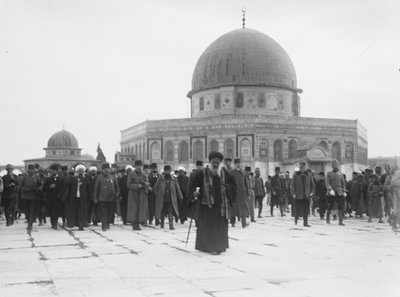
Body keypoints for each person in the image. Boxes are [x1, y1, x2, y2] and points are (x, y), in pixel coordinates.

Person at [191, 151, 230, 255]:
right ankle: (210, 247)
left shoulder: (224, 173)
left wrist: (227, 189)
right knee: (209, 227)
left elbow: (232, 186)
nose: (215, 164)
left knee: (219, 226)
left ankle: (219, 246)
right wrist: (195, 192)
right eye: (214, 162)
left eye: (217, 162)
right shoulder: (203, 173)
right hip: (207, 206)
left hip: (221, 206)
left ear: (220, 162)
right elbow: (195, 184)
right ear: (210, 162)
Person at [61, 164, 91, 230]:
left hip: (83, 198)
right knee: (73, 211)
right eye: (79, 171)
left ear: (83, 172)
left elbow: (89, 190)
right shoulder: (72, 179)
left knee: (81, 212)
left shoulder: (86, 180)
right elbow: (68, 188)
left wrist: (89, 198)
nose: (80, 172)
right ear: (77, 172)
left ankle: (81, 225)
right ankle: (72, 223)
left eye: (82, 171)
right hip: (74, 198)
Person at [153, 165, 182, 230]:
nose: (167, 172)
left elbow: (178, 188)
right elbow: (155, 188)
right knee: (162, 211)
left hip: (171, 198)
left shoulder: (173, 178)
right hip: (162, 198)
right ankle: (162, 223)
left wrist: (180, 196)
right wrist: (157, 195)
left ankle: (171, 225)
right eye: (166, 171)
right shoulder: (161, 178)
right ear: (164, 171)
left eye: (168, 171)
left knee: (170, 212)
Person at [94, 163, 119, 231]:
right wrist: (95, 198)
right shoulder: (99, 177)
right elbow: (96, 189)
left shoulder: (112, 177)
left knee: (110, 212)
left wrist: (117, 194)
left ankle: (107, 224)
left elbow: (117, 187)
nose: (107, 171)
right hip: (102, 198)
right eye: (105, 169)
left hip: (111, 199)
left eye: (108, 169)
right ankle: (104, 225)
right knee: (104, 212)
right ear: (102, 170)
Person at [127, 160, 149, 230]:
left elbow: (147, 183)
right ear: (135, 166)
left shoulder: (144, 175)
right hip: (133, 195)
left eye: (140, 166)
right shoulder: (131, 174)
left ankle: (138, 223)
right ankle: (134, 224)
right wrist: (137, 186)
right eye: (138, 166)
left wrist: (146, 185)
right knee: (134, 210)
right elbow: (128, 185)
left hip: (141, 195)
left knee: (140, 209)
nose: (139, 167)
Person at [291, 161, 315, 227]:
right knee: (297, 208)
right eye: (301, 167)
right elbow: (292, 185)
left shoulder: (308, 175)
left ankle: (305, 222)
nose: (302, 168)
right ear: (299, 167)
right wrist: (293, 193)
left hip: (306, 195)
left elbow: (312, 185)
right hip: (298, 195)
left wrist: (312, 192)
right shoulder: (295, 175)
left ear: (305, 167)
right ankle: (296, 218)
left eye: (303, 167)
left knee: (306, 209)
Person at [325, 159, 347, 226]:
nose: (335, 165)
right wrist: (330, 190)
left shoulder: (340, 174)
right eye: (333, 164)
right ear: (332, 165)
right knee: (330, 206)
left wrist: (344, 191)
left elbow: (343, 184)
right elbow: (327, 183)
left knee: (341, 206)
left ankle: (340, 221)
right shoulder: (329, 173)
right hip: (331, 193)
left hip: (339, 192)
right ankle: (328, 219)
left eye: (336, 164)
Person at [230, 158, 250, 227]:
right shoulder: (232, 172)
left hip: (242, 193)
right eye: (237, 163)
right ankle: (232, 222)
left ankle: (243, 223)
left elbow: (246, 183)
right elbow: (230, 184)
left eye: (239, 163)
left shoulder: (243, 172)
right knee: (234, 208)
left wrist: (248, 192)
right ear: (235, 164)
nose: (238, 164)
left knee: (243, 208)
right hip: (235, 193)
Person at [43, 164, 64, 229]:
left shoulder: (61, 179)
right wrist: (49, 187)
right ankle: (53, 223)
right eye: (53, 170)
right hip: (50, 198)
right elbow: (44, 188)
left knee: (57, 211)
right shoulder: (48, 179)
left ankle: (55, 223)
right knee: (52, 211)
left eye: (55, 170)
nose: (54, 172)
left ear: (57, 171)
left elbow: (63, 188)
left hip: (58, 198)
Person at [20, 164, 40, 230]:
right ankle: (29, 221)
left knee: (32, 210)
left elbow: (41, 185)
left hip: (34, 196)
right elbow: (21, 186)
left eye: (32, 169)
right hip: (25, 196)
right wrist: (25, 188)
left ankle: (30, 224)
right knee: (27, 211)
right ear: (28, 170)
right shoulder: (24, 176)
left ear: (34, 170)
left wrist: (37, 189)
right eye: (30, 169)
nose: (31, 171)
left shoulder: (37, 177)